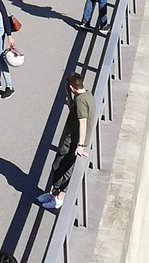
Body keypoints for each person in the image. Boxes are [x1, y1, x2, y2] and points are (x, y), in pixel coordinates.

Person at [36, 73, 95, 210]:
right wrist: (70, 95)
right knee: (60, 167)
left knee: (61, 168)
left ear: (70, 86)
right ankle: (54, 194)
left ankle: (59, 198)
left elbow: (83, 123)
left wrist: (80, 145)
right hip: (73, 139)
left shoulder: (80, 102)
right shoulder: (86, 96)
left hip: (73, 141)